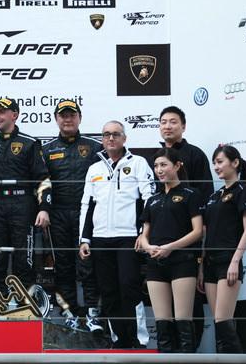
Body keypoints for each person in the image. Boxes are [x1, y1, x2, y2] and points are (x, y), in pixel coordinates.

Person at [79, 120, 154, 348]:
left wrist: (143, 233)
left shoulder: (139, 163)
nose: (110, 138)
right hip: (100, 238)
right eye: (106, 134)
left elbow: (149, 199)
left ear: (124, 138)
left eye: (115, 134)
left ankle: (139, 341)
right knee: (108, 291)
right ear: (102, 139)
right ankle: (118, 340)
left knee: (129, 287)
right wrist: (84, 239)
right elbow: (87, 205)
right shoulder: (94, 168)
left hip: (129, 237)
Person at [42, 99, 102, 331]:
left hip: (86, 213)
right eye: (63, 115)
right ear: (56, 119)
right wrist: (44, 209)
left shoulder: (94, 147)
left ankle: (92, 312)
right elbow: (42, 183)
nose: (67, 119)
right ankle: (69, 314)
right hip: (58, 214)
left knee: (87, 263)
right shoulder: (47, 149)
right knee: (63, 265)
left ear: (79, 118)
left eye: (72, 115)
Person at [156, 105, 214, 348]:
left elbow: (207, 194)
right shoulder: (156, 158)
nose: (167, 126)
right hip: (161, 241)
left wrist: (202, 229)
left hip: (191, 237)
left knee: (191, 301)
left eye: (173, 122)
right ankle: (169, 353)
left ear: (183, 126)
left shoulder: (195, 154)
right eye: (163, 122)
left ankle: (191, 351)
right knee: (163, 306)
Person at [0, 97, 51, 299]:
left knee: (24, 259)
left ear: (14, 115)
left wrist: (44, 208)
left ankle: (24, 306)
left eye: (2, 112)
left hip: (22, 205)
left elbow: (43, 179)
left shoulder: (30, 143)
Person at [138, 148, 203, 353]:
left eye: (163, 165)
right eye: (156, 166)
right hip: (155, 264)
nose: (159, 170)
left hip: (183, 262)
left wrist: (170, 247)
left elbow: (198, 231)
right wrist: (149, 247)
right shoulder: (152, 200)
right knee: (162, 323)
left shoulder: (191, 194)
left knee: (183, 320)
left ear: (177, 166)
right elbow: (143, 236)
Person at [198, 145, 246, 353]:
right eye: (214, 163)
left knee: (223, 321)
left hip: (228, 261)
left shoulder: (244, 189)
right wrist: (201, 267)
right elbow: (206, 233)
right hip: (210, 264)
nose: (216, 167)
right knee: (218, 323)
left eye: (220, 161)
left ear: (235, 163)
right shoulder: (214, 196)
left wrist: (234, 261)